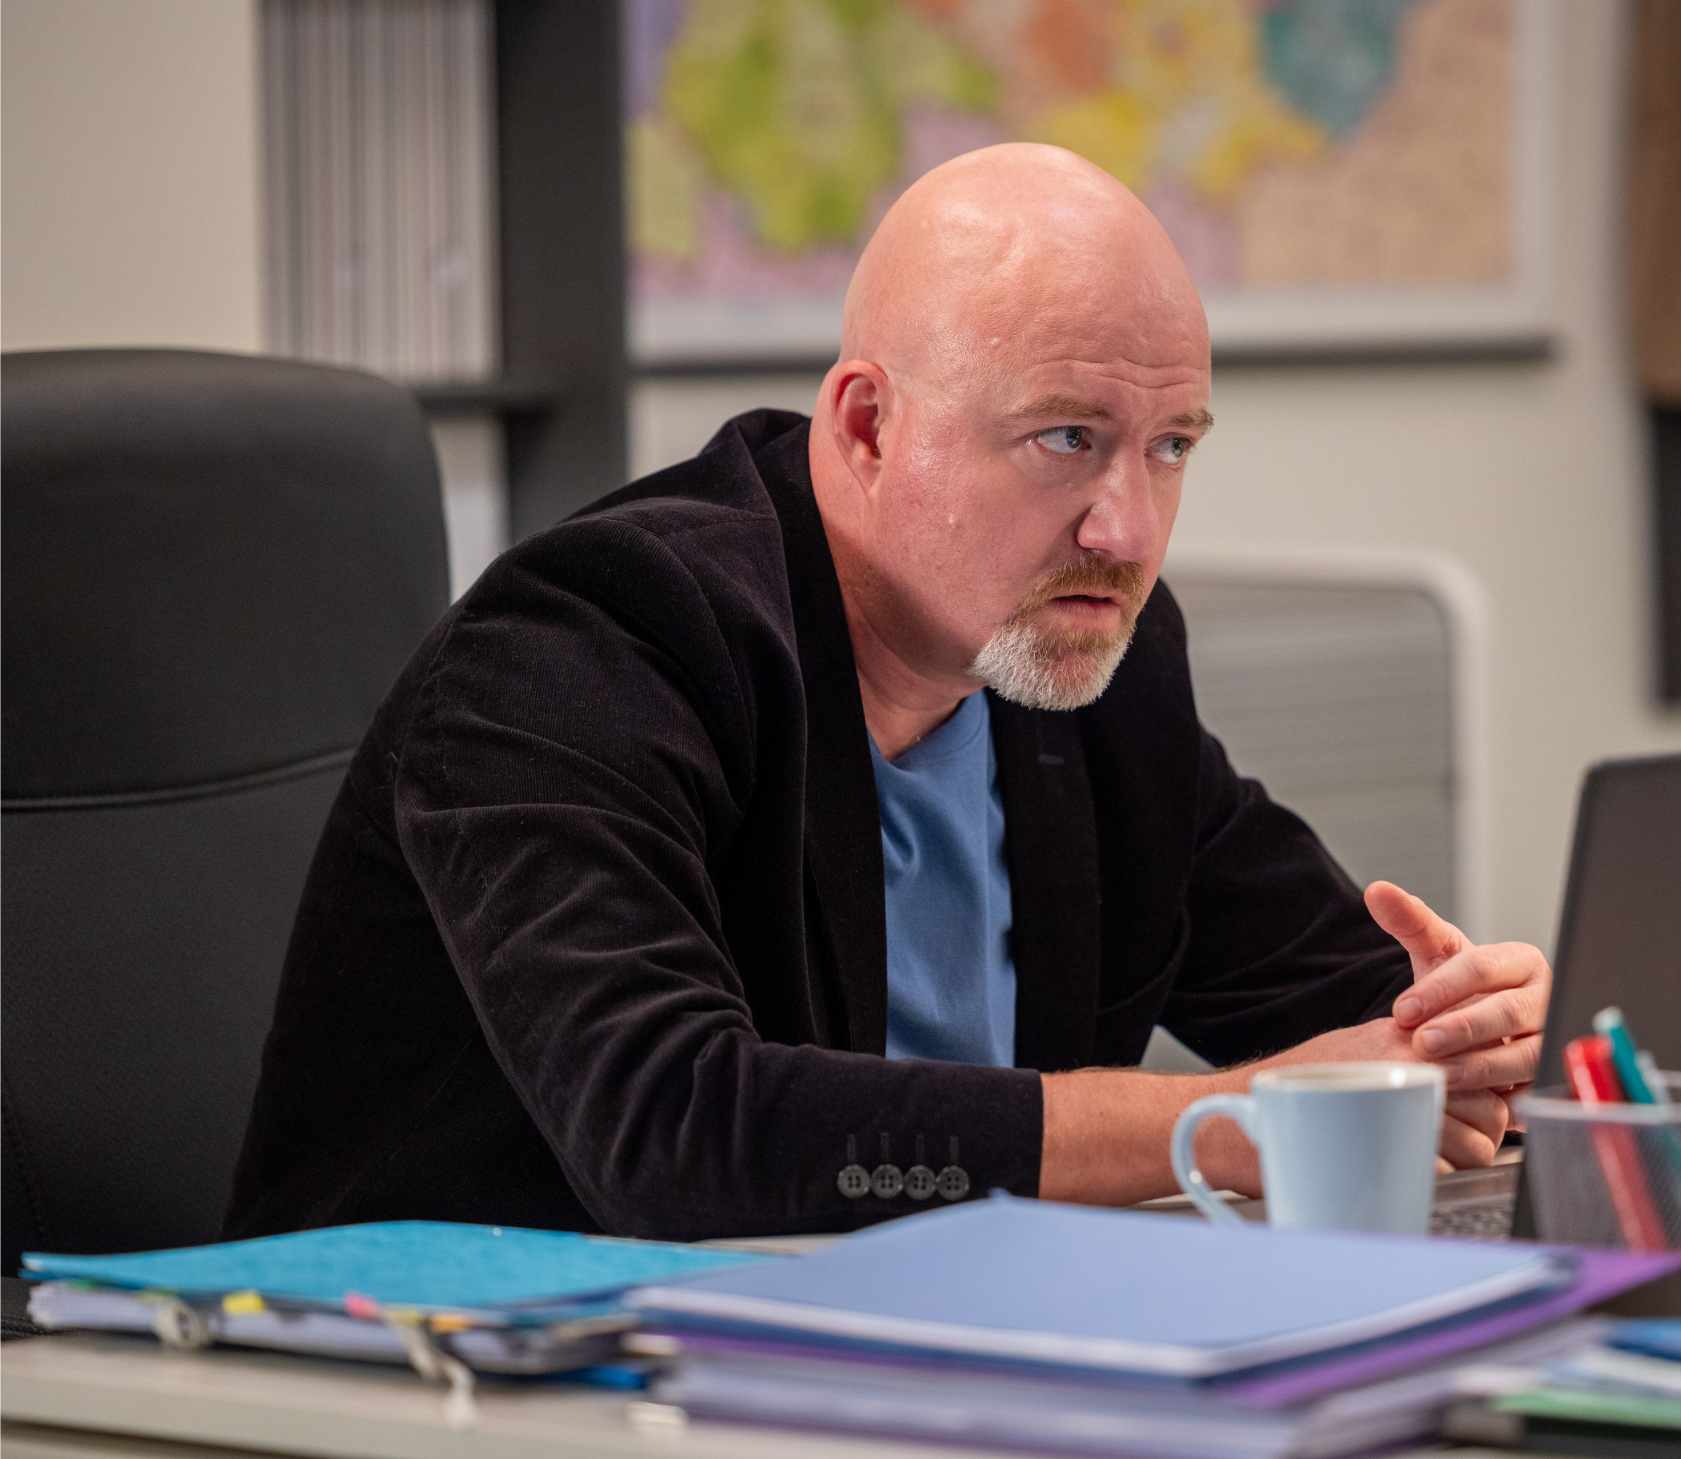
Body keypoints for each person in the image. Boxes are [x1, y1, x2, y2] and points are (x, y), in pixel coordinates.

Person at [225, 145, 1550, 1240]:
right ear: (866, 426)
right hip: (455, 1382)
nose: (1128, 531)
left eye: (1169, 448)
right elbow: (675, 1132)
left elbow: (1357, 1021)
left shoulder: (1097, 663)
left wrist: (1481, 1037)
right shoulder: (590, 642)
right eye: (1066, 438)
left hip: (910, 1355)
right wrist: (1231, 1121)